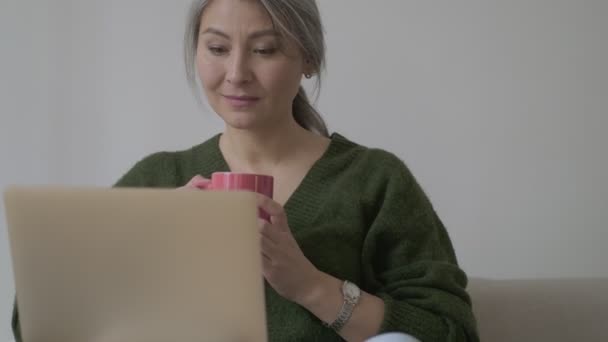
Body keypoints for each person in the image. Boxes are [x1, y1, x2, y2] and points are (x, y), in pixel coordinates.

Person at [12, 0, 478, 341]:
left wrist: (312, 286)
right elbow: (33, 322)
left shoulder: (374, 181)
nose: (236, 73)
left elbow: (448, 329)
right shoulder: (157, 177)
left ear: (308, 59)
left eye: (265, 49)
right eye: (216, 47)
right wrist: (144, 240)